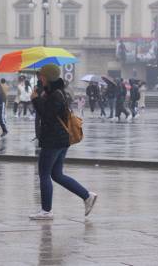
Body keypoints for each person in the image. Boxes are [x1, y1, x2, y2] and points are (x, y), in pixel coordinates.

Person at [29, 64, 97, 220]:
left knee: (44, 174)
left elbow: (47, 116)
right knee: (57, 174)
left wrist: (35, 100)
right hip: (60, 139)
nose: (40, 78)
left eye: (42, 75)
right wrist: (40, 96)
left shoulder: (56, 95)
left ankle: (46, 211)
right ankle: (87, 196)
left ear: (47, 77)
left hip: (53, 140)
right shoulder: (55, 92)